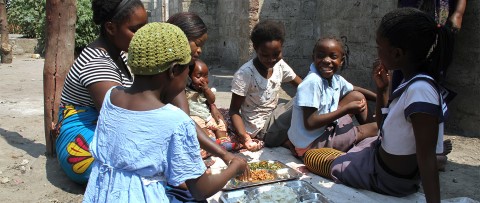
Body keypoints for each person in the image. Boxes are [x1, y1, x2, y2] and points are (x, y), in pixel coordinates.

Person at [83, 22, 248, 203]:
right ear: (174, 70)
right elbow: (201, 189)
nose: (187, 77)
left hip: (101, 194)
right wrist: (235, 166)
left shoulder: (111, 97)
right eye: (187, 69)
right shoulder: (174, 120)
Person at [303, 8, 451, 202]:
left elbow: (426, 157)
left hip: (386, 178)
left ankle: (355, 164)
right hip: (378, 155)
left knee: (312, 158)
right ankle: (357, 158)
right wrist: (382, 91)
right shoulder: (412, 82)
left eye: (379, 47)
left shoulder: (421, 92)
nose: (377, 52)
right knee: (361, 143)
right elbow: (383, 127)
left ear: (397, 53)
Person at [54, 0, 147, 184]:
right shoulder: (97, 63)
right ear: (111, 28)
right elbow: (120, 119)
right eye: (136, 30)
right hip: (81, 147)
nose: (142, 36)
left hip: (104, 132)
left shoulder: (118, 54)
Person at [288, 37, 378, 158]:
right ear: (313, 57)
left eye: (333, 57)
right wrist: (346, 110)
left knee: (357, 96)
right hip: (310, 146)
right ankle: (374, 141)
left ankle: (367, 138)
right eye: (320, 56)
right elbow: (310, 123)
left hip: (320, 132)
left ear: (341, 60)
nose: (326, 60)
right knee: (375, 128)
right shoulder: (312, 82)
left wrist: (382, 99)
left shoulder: (335, 79)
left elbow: (355, 89)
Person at [228, 20, 303, 151]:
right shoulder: (245, 74)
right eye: (265, 55)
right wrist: (245, 137)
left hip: (275, 117)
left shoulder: (279, 65)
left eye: (276, 54)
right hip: (260, 130)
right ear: (256, 48)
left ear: (282, 48)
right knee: (302, 105)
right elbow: (234, 111)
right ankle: (286, 141)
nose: (271, 59)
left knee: (308, 96)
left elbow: (303, 86)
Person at [186, 59, 239, 151]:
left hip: (207, 115)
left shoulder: (204, 90)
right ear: (189, 77)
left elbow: (211, 100)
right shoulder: (186, 89)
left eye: (205, 76)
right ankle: (210, 141)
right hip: (195, 116)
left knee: (220, 123)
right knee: (199, 126)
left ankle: (223, 141)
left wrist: (206, 90)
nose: (203, 80)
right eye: (198, 76)